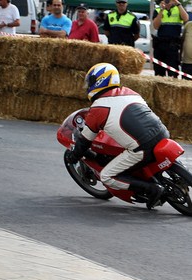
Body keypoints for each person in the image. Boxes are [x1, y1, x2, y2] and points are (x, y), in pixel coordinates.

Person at [65, 63, 169, 210]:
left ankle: (152, 189)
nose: (88, 86)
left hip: (142, 148)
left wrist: (74, 156)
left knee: (107, 176)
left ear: (100, 81)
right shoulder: (130, 92)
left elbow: (85, 141)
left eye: (91, 82)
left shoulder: (98, 108)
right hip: (163, 132)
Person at [152, 0, 188, 77]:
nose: (167, 2)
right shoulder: (158, 10)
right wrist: (162, 10)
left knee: (173, 72)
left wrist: (178, 4)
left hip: (173, 46)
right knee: (159, 72)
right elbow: (155, 26)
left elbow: (186, 18)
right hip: (160, 45)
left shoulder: (178, 9)